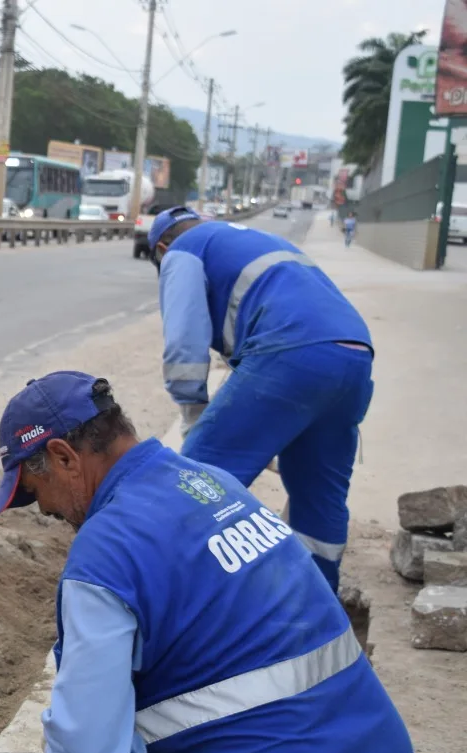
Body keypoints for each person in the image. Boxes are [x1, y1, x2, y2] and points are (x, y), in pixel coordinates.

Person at [0, 371, 414, 753]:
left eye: (34, 490)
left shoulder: (105, 553)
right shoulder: (213, 483)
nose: (46, 510)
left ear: (65, 457)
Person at [147, 206, 373, 592]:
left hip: (291, 352)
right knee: (318, 495)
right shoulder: (256, 241)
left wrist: (194, 415)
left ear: (163, 248)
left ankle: (167, 599)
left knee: (194, 487)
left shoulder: (183, 249)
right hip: (354, 356)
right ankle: (314, 605)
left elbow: (184, 345)